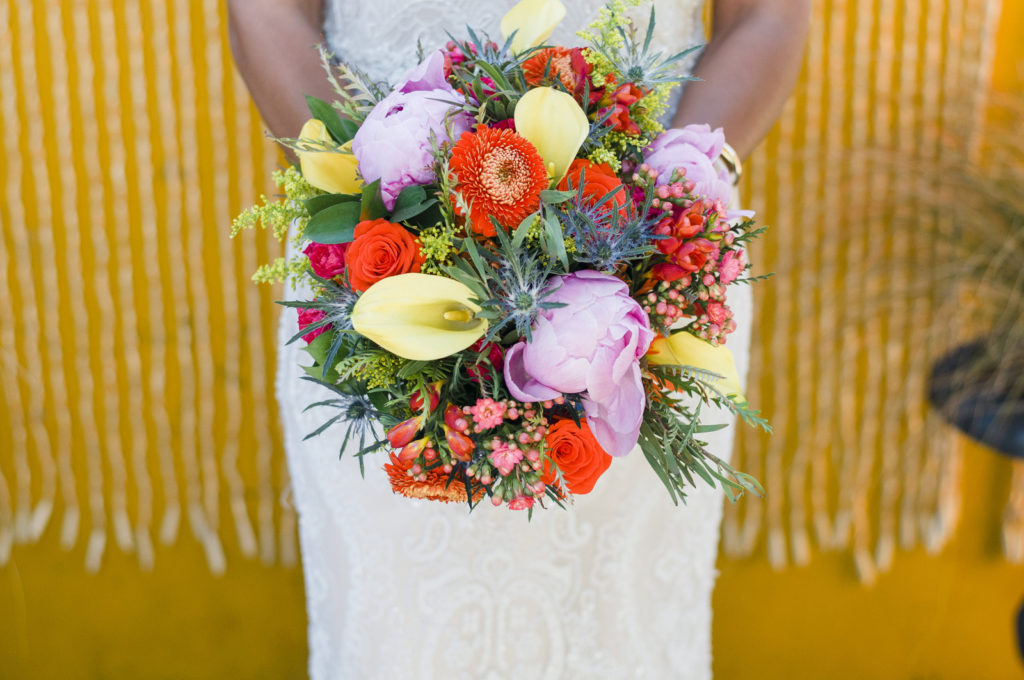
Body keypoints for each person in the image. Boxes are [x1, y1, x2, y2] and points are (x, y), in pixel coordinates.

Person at [229, 1, 809, 677]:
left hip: (640, 290)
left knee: (625, 635)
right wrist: (388, 210)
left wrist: (653, 221)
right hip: (377, 275)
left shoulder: (648, 254)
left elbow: (769, 15)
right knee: (397, 641)